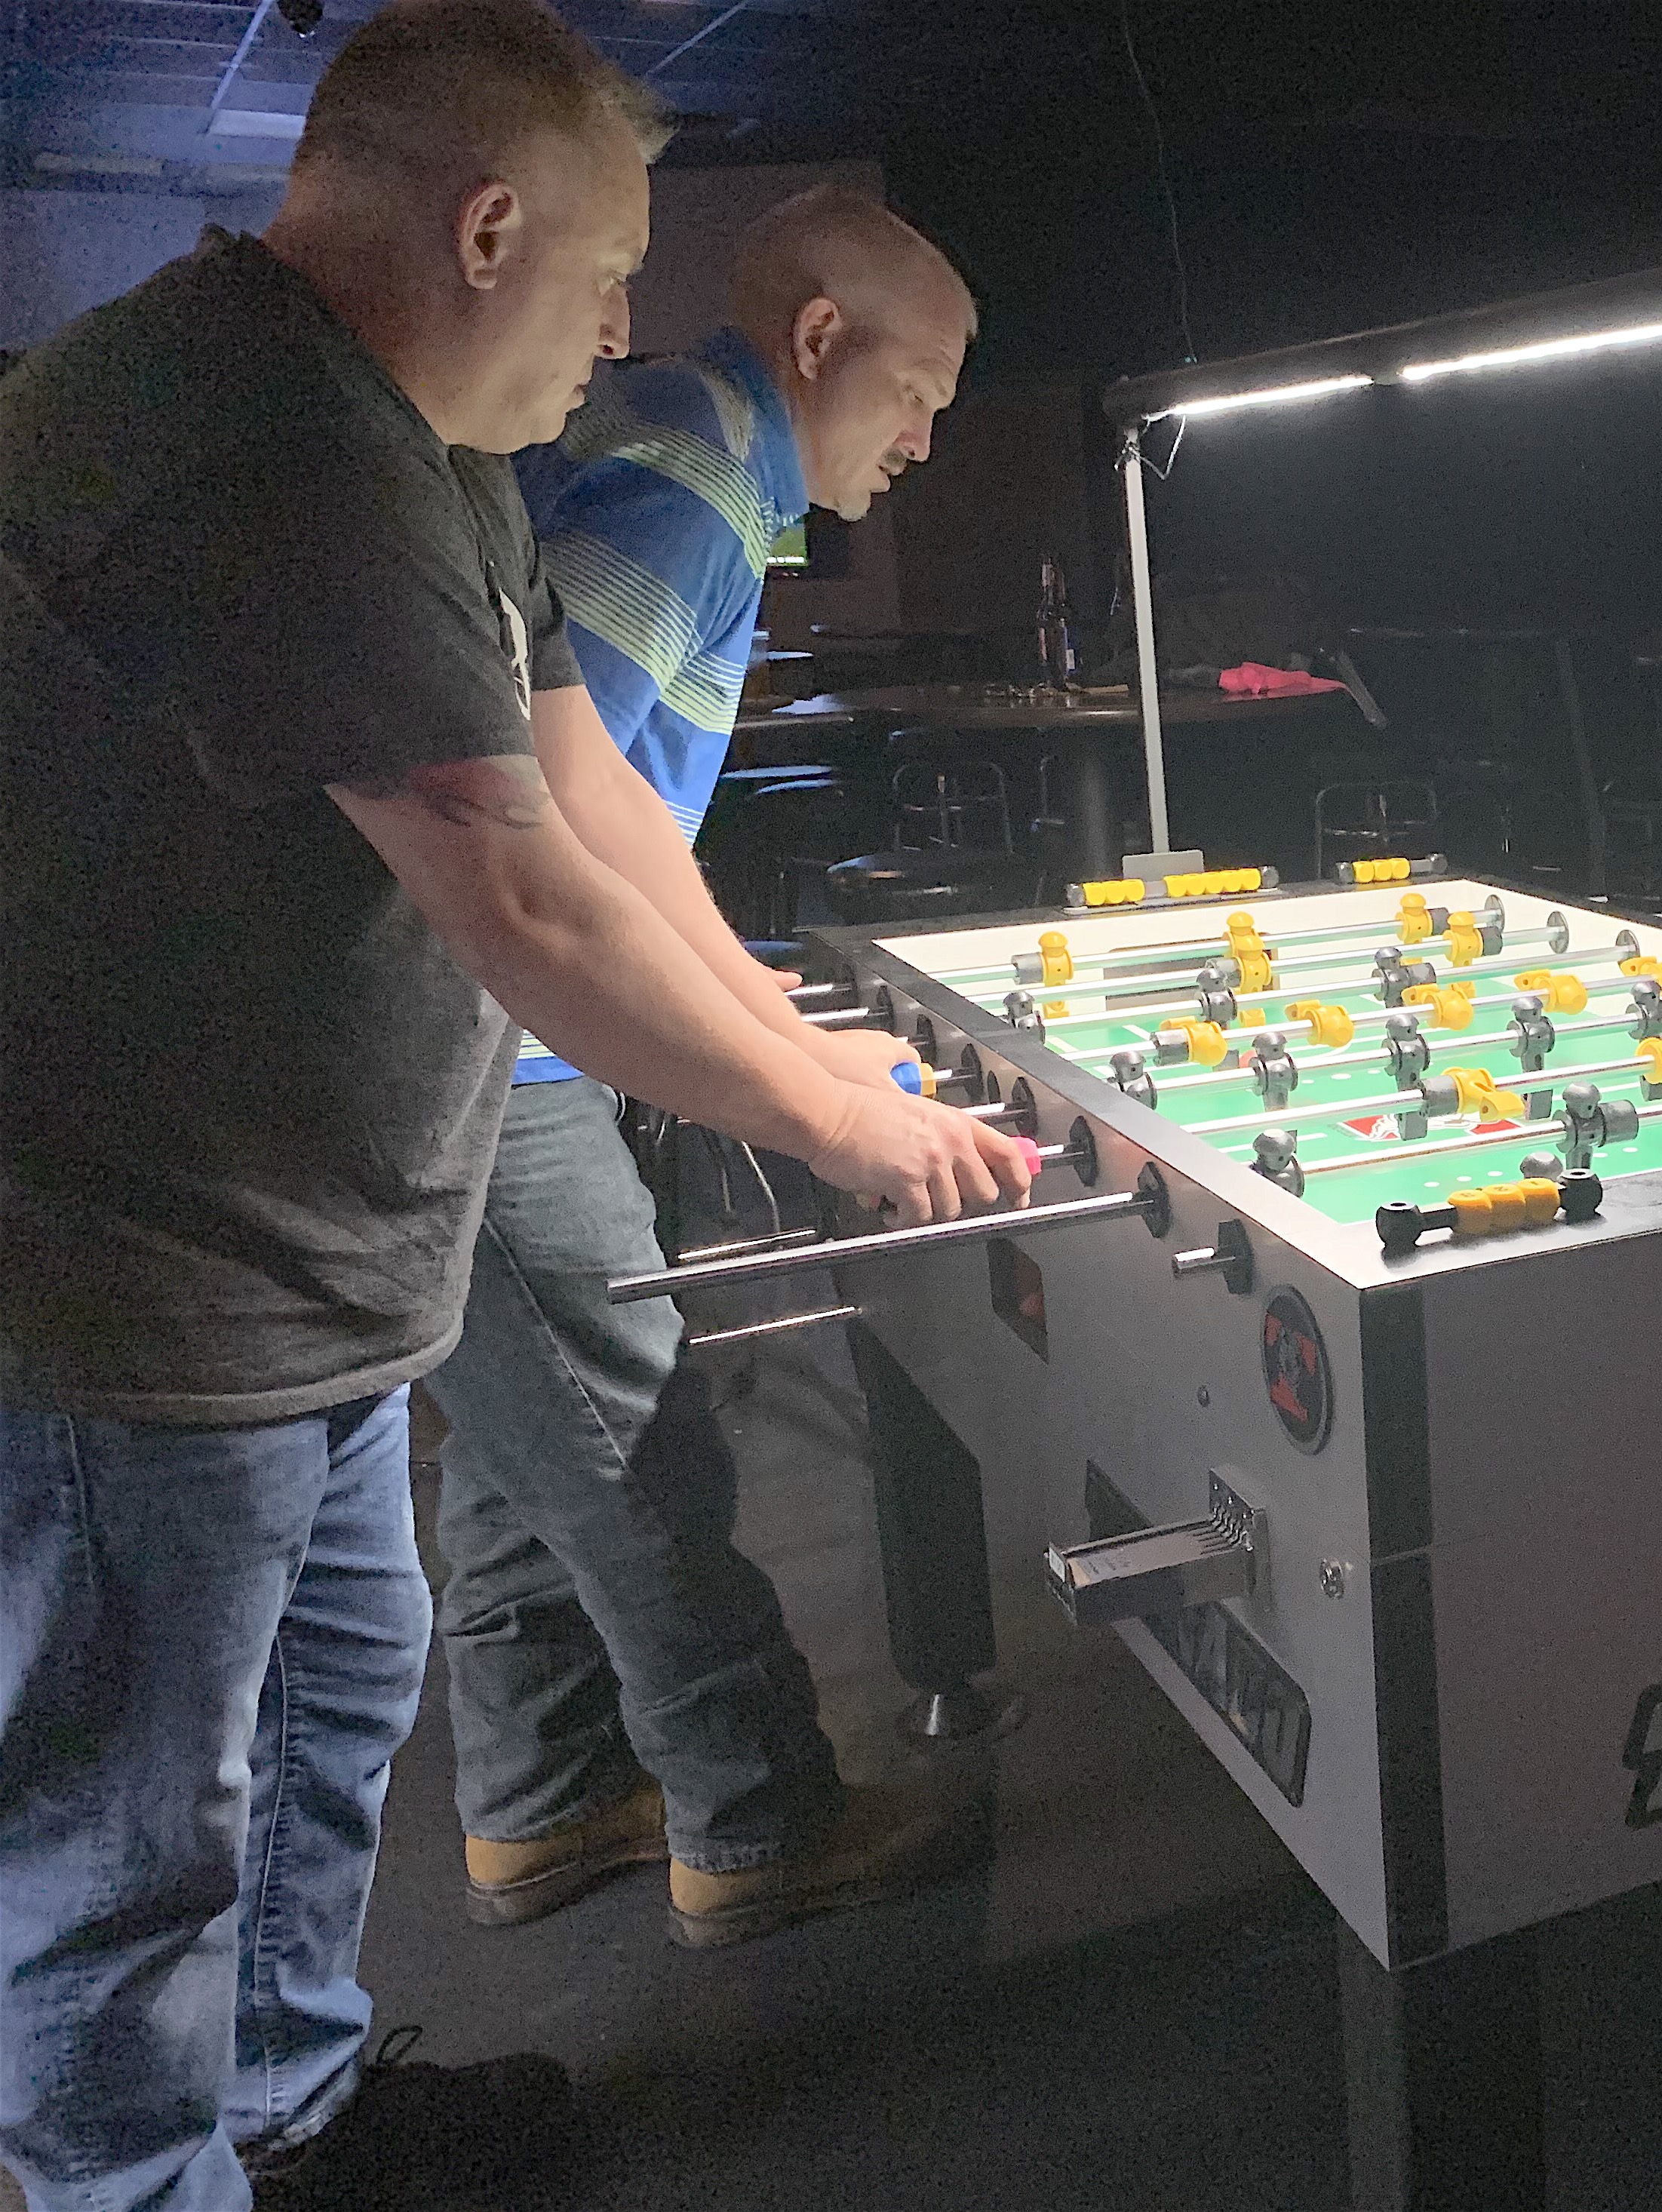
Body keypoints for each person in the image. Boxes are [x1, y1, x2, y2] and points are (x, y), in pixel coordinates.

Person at [0, 5, 1028, 2207]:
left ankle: (297, 2113)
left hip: (313, 1249)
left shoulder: (428, 446)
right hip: (126, 1281)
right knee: (118, 1852)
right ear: (484, 227)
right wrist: (847, 1134)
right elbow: (521, 894)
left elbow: (592, 800)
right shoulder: (261, 434)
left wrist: (790, 1034)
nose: (629, 324)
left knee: (324, 1719)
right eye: (605, 270)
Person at [435, 186, 991, 1947]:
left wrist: (766, 1012)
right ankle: (754, 1821)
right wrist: (811, 1103)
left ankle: (543, 1805)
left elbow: (615, 806)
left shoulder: (698, 459)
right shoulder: (684, 484)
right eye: (920, 389)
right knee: (638, 1441)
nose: (926, 435)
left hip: (493, 1043)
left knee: (524, 1450)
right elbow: (552, 825)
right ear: (820, 340)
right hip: (501, 1055)